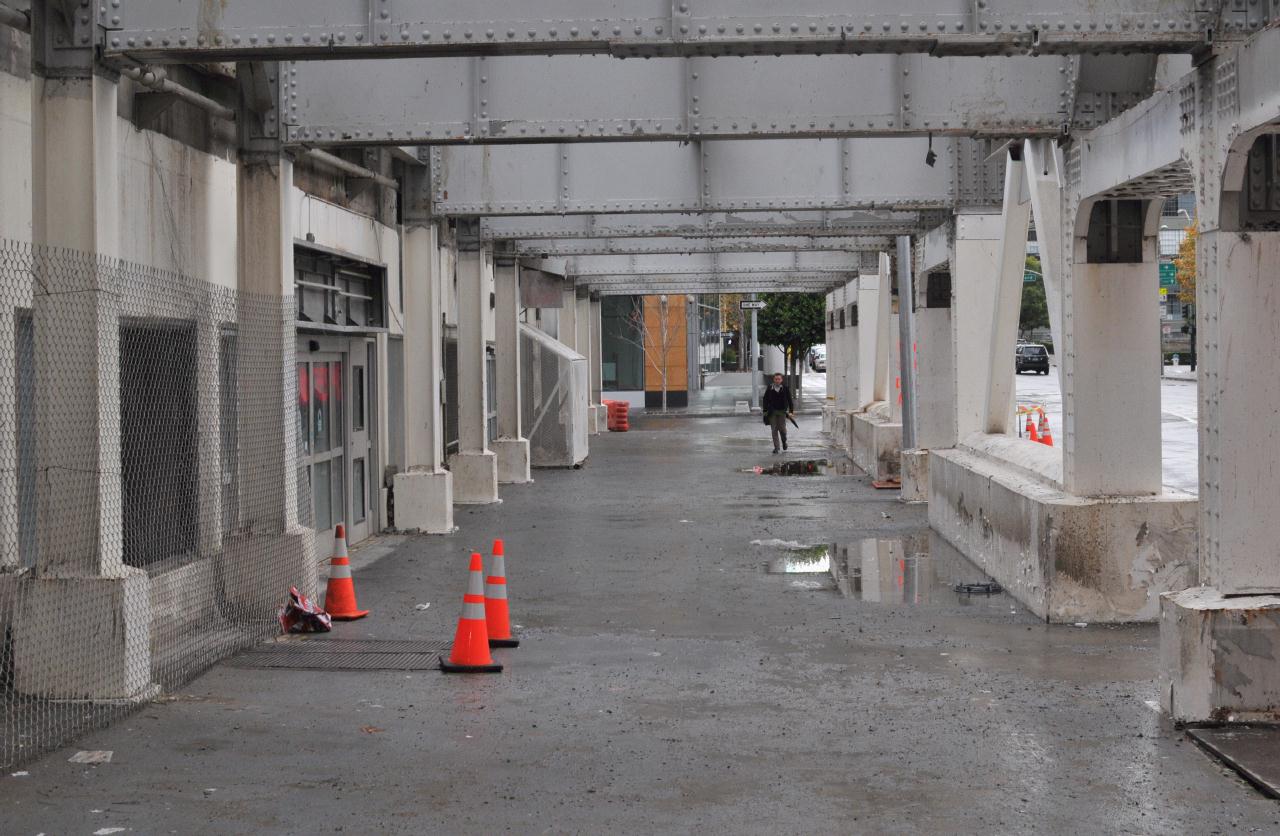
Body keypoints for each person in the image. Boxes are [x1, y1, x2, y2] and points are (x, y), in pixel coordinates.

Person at [761, 372, 794, 454]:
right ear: (774, 379)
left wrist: (791, 411)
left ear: (781, 380)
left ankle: (784, 441)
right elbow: (765, 399)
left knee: (782, 429)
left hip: (782, 412)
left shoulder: (785, 388)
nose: (777, 380)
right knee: (774, 430)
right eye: (776, 379)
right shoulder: (770, 388)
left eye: (779, 379)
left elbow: (790, 400)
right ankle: (776, 448)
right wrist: (765, 411)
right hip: (772, 412)